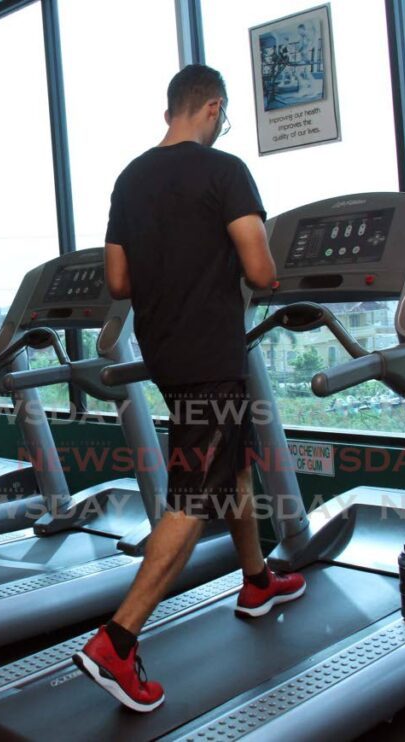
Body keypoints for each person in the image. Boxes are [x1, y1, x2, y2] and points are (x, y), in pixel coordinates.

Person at [72, 65, 306, 712]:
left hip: (167, 353)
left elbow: (118, 280)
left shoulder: (130, 176)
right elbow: (260, 269)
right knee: (194, 494)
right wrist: (255, 268)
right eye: (222, 116)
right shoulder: (224, 171)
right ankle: (117, 641)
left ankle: (256, 580)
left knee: (230, 464)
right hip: (211, 354)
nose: (222, 125)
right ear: (212, 107)